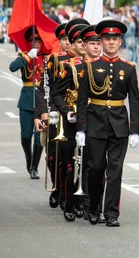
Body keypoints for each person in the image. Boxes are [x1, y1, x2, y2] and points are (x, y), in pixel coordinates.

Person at [76, 19, 139, 227]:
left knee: (115, 170)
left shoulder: (128, 68)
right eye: (107, 39)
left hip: (119, 124)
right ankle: (94, 206)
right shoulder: (91, 66)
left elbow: (134, 100)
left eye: (114, 39)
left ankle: (111, 213)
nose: (111, 43)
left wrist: (135, 130)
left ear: (120, 42)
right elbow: (82, 98)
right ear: (102, 41)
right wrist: (81, 128)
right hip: (95, 122)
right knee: (96, 168)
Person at [50, 24, 87, 222]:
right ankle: (66, 195)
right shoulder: (62, 63)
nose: (84, 45)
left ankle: (85, 201)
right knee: (67, 162)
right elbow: (51, 90)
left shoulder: (95, 64)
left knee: (90, 163)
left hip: (92, 119)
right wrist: (56, 112)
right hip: (68, 119)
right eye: (80, 41)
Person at [9, 26, 46, 179]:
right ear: (29, 42)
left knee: (39, 137)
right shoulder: (24, 56)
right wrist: (27, 57)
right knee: (25, 137)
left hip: (41, 100)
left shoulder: (47, 57)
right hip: (26, 100)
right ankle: (29, 160)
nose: (36, 43)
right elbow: (12, 67)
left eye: (38, 40)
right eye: (33, 40)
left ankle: (34, 167)